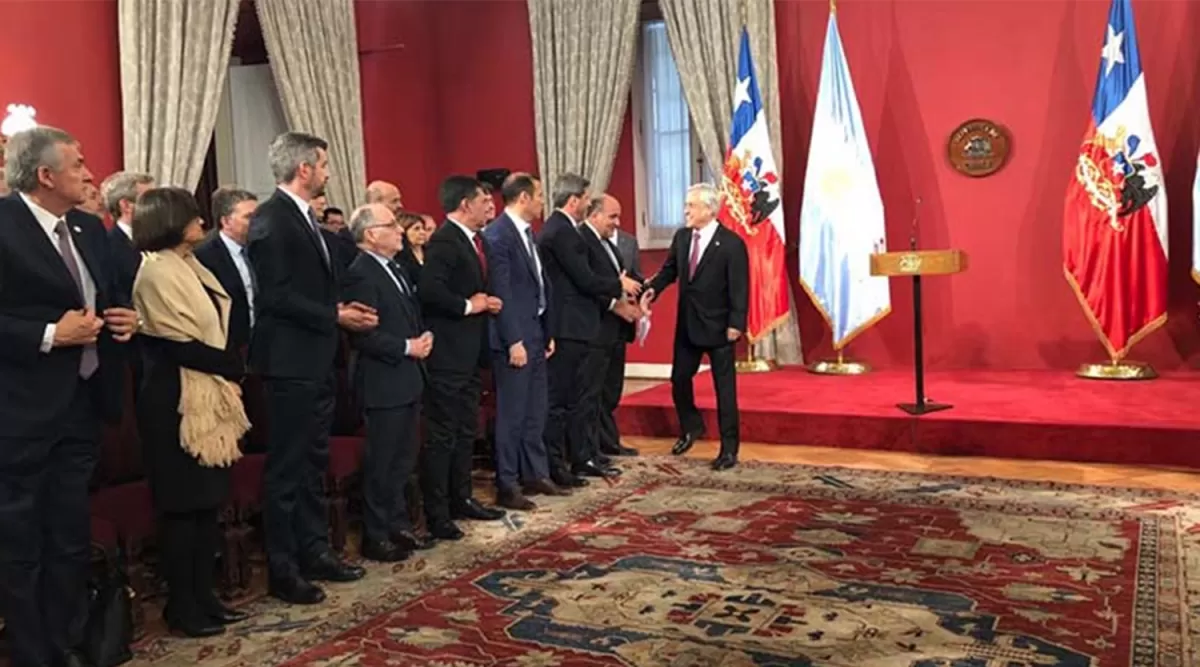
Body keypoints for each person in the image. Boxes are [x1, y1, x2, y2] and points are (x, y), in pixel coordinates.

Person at [0, 126, 138, 667]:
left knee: (70, 537)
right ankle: (36, 655)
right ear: (44, 175)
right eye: (78, 164)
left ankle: (70, 643)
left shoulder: (86, 227)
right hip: (21, 411)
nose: (88, 173)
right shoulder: (4, 224)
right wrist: (50, 335)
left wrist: (122, 319)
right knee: (23, 543)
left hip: (83, 403)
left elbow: (104, 298)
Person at [247, 131, 377, 605]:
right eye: (322, 164)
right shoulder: (271, 219)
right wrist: (333, 315)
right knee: (287, 469)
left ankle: (315, 549)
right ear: (303, 169)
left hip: (318, 359)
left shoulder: (305, 219)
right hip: (289, 363)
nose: (327, 172)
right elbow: (275, 295)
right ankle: (284, 569)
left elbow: (313, 289)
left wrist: (342, 309)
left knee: (312, 463)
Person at [131, 187, 251, 637]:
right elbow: (174, 341)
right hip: (175, 401)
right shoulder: (156, 272)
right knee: (183, 509)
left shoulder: (190, 264)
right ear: (170, 221)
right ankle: (182, 606)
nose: (202, 223)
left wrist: (227, 363)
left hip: (208, 393)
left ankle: (206, 597)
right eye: (193, 217)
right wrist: (231, 364)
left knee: (206, 506)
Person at [343, 203, 434, 559]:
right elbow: (363, 334)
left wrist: (421, 339)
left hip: (407, 376)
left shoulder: (394, 266)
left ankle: (398, 525)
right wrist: (406, 346)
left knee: (402, 459)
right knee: (382, 462)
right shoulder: (361, 273)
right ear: (370, 234)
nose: (401, 229)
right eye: (391, 224)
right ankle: (376, 535)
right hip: (383, 379)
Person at [418, 175, 505, 540]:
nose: (490, 206)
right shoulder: (444, 242)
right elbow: (430, 291)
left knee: (465, 430)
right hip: (448, 355)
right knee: (444, 435)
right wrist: (472, 305)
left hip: (471, 354)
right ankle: (438, 514)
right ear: (465, 204)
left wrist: (486, 301)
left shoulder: (476, 240)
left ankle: (462, 497)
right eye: (483, 200)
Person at [538, 173, 638, 483]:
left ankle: (583, 456)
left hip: (578, 325)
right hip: (570, 326)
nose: (586, 203)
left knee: (581, 398)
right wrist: (617, 284)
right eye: (585, 198)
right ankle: (566, 462)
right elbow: (584, 278)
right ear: (574, 201)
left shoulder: (563, 230)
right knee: (567, 400)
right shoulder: (562, 232)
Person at [642, 183, 749, 471]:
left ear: (709, 209)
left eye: (691, 205)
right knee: (679, 378)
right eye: (686, 205)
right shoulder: (682, 237)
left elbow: (740, 287)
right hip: (688, 325)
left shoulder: (731, 244)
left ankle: (729, 449)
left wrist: (736, 324)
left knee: (724, 390)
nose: (685, 210)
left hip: (720, 327)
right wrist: (653, 290)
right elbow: (669, 271)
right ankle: (692, 427)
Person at [483, 173, 569, 510]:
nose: (542, 202)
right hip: (514, 338)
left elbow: (538, 285)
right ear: (522, 197)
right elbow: (501, 292)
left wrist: (546, 332)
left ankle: (535, 472)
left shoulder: (527, 234)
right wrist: (513, 340)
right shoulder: (498, 236)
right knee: (512, 413)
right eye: (538, 195)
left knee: (536, 409)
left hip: (535, 333)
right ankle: (507, 482)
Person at [194, 187, 257, 356]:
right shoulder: (203, 257)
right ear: (226, 221)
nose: (257, 222)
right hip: (228, 348)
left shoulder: (261, 249)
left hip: (263, 344)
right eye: (249, 217)